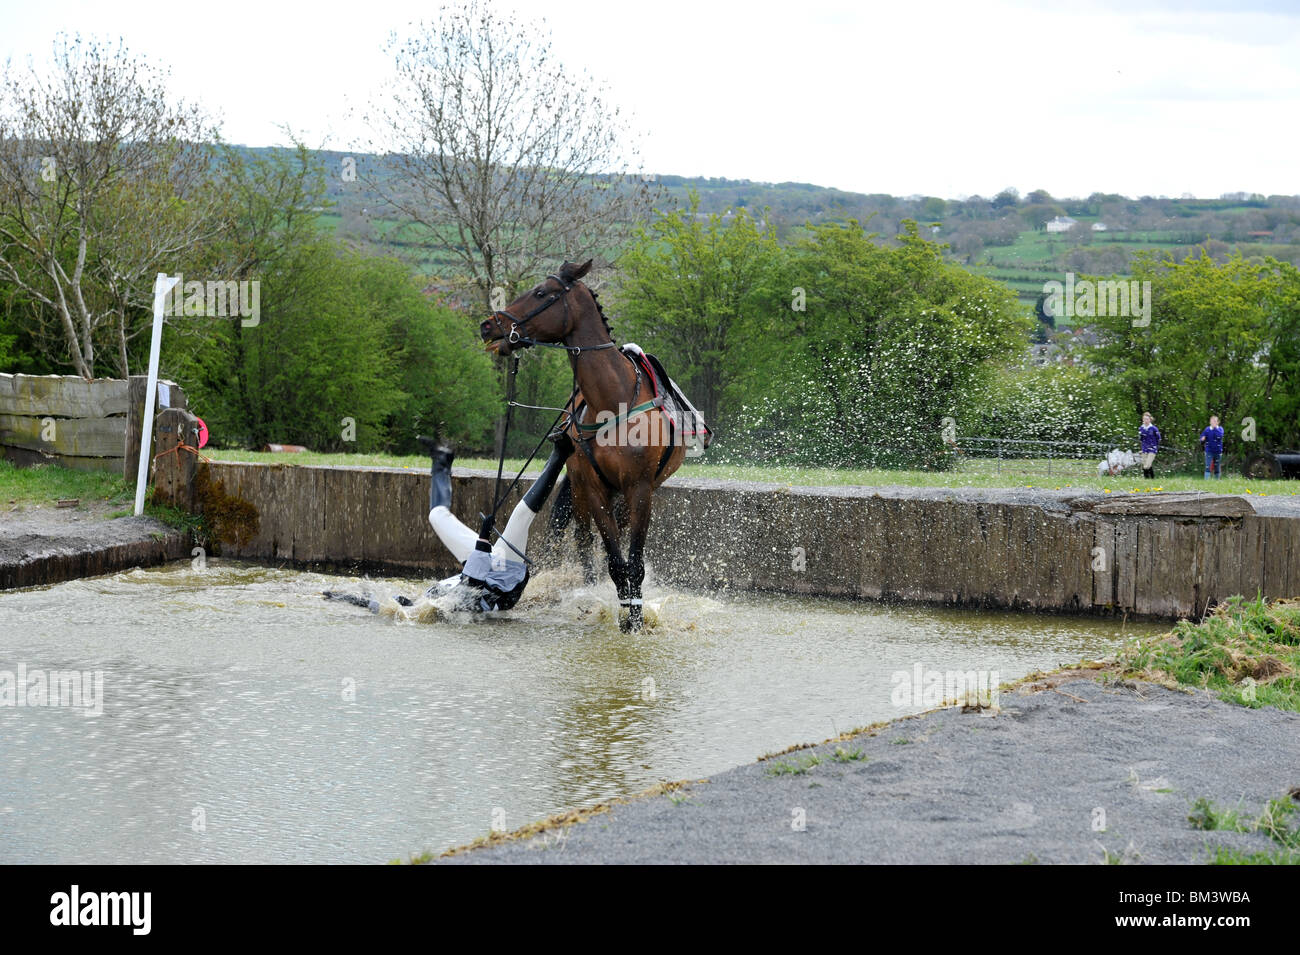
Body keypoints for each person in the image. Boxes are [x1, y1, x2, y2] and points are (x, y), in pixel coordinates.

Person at [325, 431, 573, 614]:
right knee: (520, 516)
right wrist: (484, 538)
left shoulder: (420, 609)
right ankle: (561, 453)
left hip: (477, 566)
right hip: (502, 579)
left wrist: (345, 599)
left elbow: (385, 609)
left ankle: (441, 461)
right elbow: (473, 585)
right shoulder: (453, 609)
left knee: (436, 515)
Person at [1199, 415, 1224, 480]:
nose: (1213, 423)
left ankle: (1217, 480)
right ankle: (1206, 480)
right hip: (1209, 451)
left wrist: (1215, 428)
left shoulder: (1220, 429)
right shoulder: (1207, 429)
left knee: (1217, 467)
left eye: (1215, 421)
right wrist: (1202, 439)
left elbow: (1219, 436)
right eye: (1212, 421)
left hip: (1218, 451)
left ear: (1218, 422)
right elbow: (1202, 437)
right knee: (1208, 466)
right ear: (1210, 422)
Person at [1138, 412, 1161, 479]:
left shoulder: (1154, 428)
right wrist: (1141, 436)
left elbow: (1158, 438)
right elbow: (1141, 439)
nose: (1146, 421)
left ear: (1150, 420)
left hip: (1152, 449)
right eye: (1144, 419)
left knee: (1147, 466)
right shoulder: (1141, 428)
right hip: (1144, 448)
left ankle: (1147, 478)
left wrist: (1155, 445)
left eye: (1147, 419)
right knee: (1145, 464)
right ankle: (1151, 478)